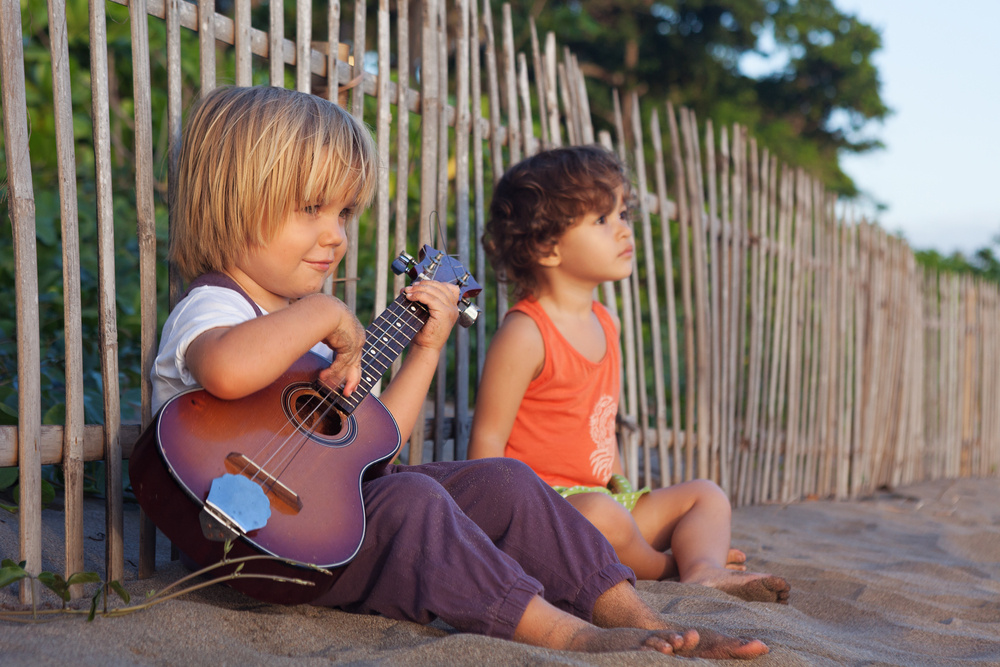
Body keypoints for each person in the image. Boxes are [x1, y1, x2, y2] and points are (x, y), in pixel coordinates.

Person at [149, 86, 770, 658]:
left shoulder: (304, 336)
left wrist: (425, 347)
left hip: (324, 523)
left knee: (505, 480)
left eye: (344, 214)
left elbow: (373, 436)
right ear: (231, 201)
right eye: (311, 208)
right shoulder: (217, 306)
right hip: (252, 540)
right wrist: (323, 312)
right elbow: (228, 371)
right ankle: (568, 634)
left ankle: (631, 615)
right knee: (412, 499)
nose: (335, 236)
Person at [468, 145, 789, 604]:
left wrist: (625, 488)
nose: (623, 229)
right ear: (546, 246)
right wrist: (492, 535)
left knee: (706, 494)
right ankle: (671, 565)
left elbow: (601, 423)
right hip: (546, 513)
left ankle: (702, 569)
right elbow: (486, 446)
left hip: (604, 498)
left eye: (622, 213)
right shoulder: (526, 333)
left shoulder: (606, 322)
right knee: (602, 517)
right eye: (602, 220)